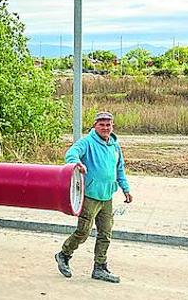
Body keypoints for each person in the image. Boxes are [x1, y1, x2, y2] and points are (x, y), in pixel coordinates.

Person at [55, 111, 132, 283]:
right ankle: (64, 254)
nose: (105, 128)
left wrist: (125, 188)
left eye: (108, 125)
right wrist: (77, 163)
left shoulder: (114, 145)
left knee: (105, 233)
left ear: (112, 126)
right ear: (95, 125)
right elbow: (71, 154)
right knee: (83, 231)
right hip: (89, 195)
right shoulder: (87, 142)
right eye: (101, 124)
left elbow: (119, 169)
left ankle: (100, 267)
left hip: (107, 197)